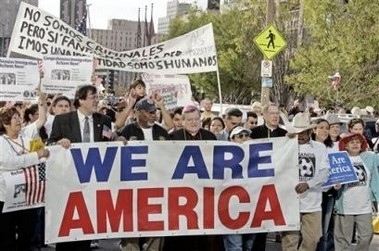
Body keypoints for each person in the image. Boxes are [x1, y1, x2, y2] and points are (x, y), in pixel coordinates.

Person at [48, 85, 113, 251]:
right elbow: (50, 144)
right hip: (68, 183)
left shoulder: (104, 120)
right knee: (68, 225)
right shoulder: (62, 120)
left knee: (86, 226)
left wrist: (119, 139)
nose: (97, 100)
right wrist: (59, 143)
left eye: (97, 97)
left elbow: (108, 145)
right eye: (93, 97)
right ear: (81, 100)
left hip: (93, 182)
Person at [117, 98, 169, 251]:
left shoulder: (161, 132)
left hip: (156, 186)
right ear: (138, 113)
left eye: (155, 112)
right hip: (132, 187)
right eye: (149, 112)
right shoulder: (127, 131)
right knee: (131, 224)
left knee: (157, 224)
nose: (154, 115)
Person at [166, 104, 219, 251]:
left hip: (205, 193)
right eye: (190, 120)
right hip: (181, 194)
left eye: (197, 119)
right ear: (182, 121)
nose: (194, 122)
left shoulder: (210, 137)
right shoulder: (173, 138)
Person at [0, 106, 50, 250]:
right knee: (6, 237)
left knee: (27, 235)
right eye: (14, 117)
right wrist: (34, 156)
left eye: (18, 117)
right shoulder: (1, 141)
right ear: (5, 123)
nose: (18, 120)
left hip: (28, 197)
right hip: (5, 197)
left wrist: (33, 157)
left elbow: (43, 158)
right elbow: (7, 162)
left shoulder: (29, 139)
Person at [281, 112, 330, 251]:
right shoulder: (285, 146)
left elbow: (325, 171)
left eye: (303, 132)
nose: (300, 136)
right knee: (289, 242)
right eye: (297, 132)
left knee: (312, 240)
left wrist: (309, 184)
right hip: (290, 202)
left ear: (309, 131)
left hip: (312, 203)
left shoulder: (320, 148)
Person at [249, 103, 287, 250]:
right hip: (258, 184)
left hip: (277, 183)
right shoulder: (254, 133)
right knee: (259, 223)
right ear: (264, 115)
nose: (275, 116)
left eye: (277, 113)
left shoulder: (285, 135)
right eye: (272, 113)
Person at [334, 133, 379, 251]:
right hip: (345, 205)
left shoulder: (370, 157)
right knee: (343, 240)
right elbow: (331, 179)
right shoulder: (339, 159)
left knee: (366, 236)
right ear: (346, 145)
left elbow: (375, 180)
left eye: (358, 142)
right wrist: (335, 185)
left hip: (365, 206)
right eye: (352, 142)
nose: (355, 144)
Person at [223, 126, 256, 251]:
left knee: (248, 245)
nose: (244, 139)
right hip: (232, 208)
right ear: (232, 140)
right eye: (240, 136)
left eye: (246, 136)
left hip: (252, 207)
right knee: (235, 246)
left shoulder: (258, 157)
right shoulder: (223, 158)